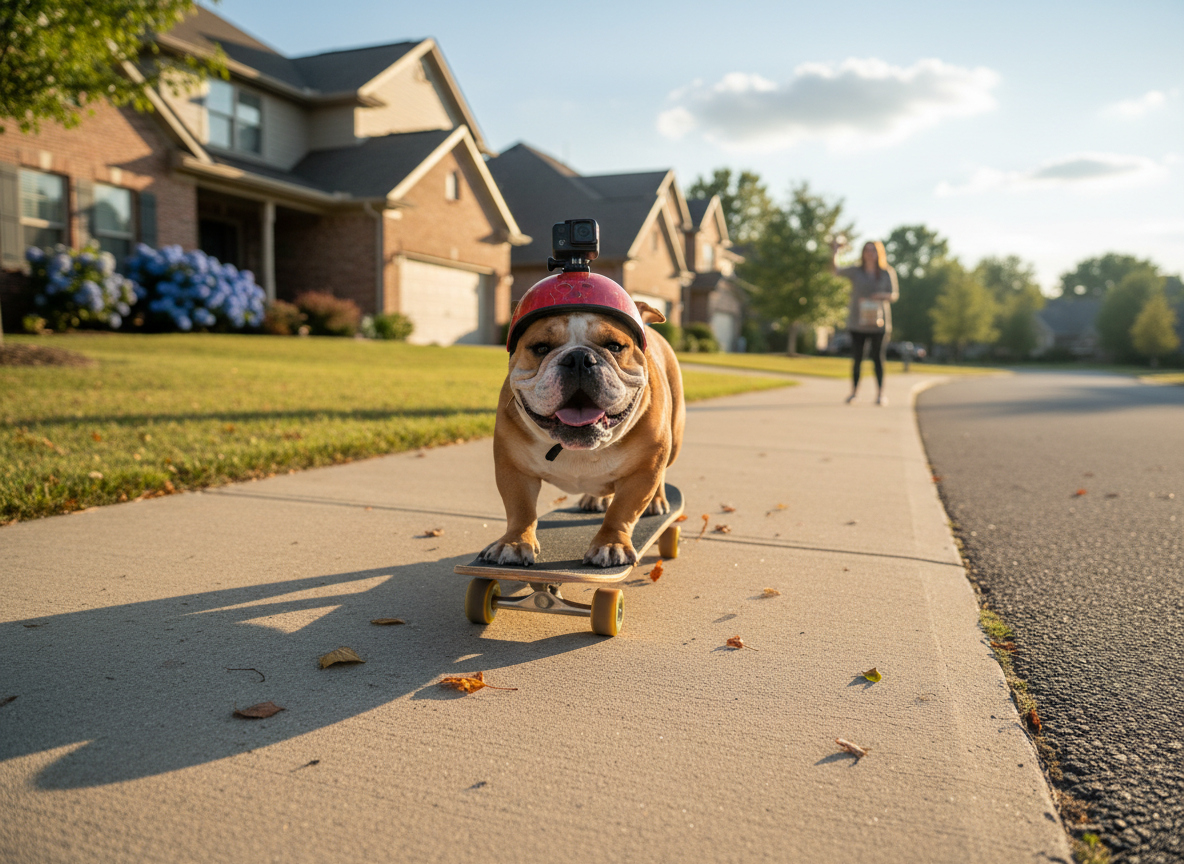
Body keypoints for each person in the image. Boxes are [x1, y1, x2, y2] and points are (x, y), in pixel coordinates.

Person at [831, 239, 899, 405]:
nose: (870, 253)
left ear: (878, 253)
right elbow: (836, 271)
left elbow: (894, 295)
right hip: (857, 322)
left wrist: (880, 296)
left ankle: (880, 395)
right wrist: (835, 251)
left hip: (878, 323)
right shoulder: (856, 271)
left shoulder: (886, 272)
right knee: (857, 358)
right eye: (867, 250)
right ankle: (854, 393)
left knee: (878, 359)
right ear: (863, 253)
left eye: (873, 250)